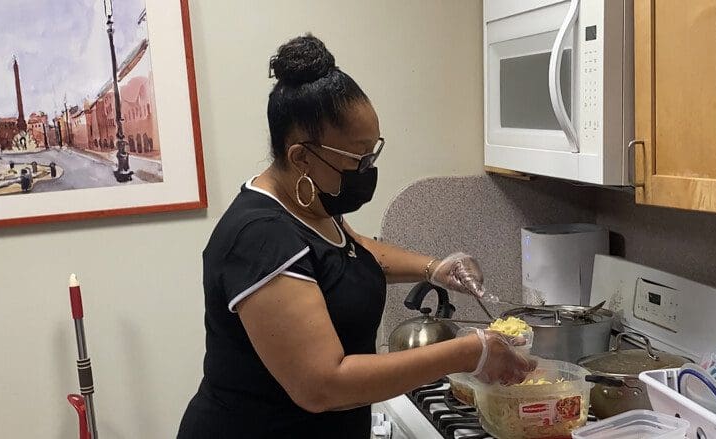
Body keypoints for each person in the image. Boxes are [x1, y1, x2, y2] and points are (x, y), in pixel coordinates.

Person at [177, 34, 536, 439]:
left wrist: (436, 268)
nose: (367, 168)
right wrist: (468, 352)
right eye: (357, 158)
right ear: (301, 156)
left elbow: (349, 250)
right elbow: (322, 385)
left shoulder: (310, 202)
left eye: (373, 153)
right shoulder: (260, 237)